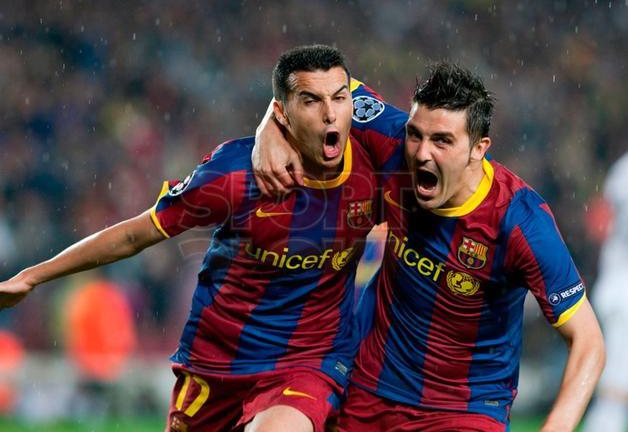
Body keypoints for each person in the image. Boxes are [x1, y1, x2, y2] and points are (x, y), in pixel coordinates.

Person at [0, 45, 382, 432]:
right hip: (218, 363)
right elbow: (136, 234)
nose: (330, 114)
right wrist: (33, 276)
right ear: (281, 114)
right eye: (311, 101)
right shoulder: (234, 175)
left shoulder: (376, 175)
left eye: (340, 98)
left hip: (309, 362)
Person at [253, 62, 605, 431]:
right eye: (416, 135)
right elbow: (312, 82)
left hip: (465, 411)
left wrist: (558, 426)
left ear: (478, 148)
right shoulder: (390, 141)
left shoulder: (520, 222)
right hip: (369, 388)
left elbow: (588, 341)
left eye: (442, 141)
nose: (422, 153)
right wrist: (268, 130)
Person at [583, 151, 628, 432]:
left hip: (615, 286)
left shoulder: (621, 168)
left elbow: (597, 226)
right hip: (623, 292)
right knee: (614, 393)